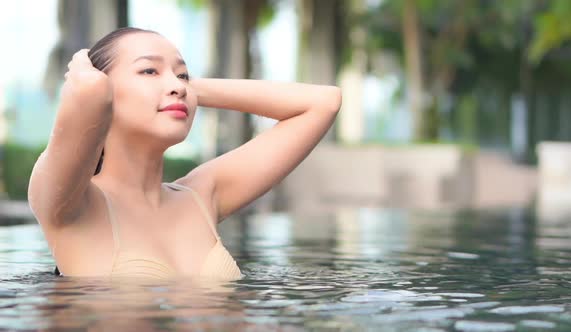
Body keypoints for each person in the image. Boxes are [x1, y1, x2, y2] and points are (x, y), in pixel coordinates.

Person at [27, 27, 341, 281]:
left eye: (182, 75)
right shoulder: (69, 204)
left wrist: (189, 89)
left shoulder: (201, 196)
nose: (177, 86)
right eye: (149, 71)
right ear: (106, 91)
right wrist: (84, 66)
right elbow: (88, 92)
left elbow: (323, 102)